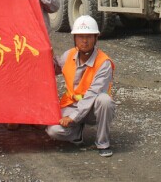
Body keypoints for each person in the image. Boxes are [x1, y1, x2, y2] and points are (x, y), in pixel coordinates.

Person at [46, 15, 116, 157]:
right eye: (80, 36)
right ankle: (77, 133)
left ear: (96, 38)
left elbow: (93, 94)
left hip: (93, 110)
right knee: (53, 131)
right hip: (71, 104)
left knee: (105, 100)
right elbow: (54, 69)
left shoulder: (104, 63)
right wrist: (47, 56)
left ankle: (103, 143)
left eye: (89, 36)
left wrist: (73, 118)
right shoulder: (68, 55)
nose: (84, 41)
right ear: (74, 38)